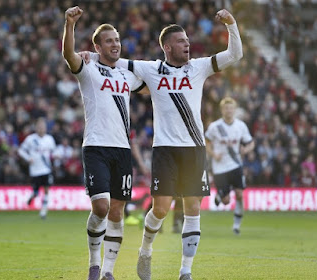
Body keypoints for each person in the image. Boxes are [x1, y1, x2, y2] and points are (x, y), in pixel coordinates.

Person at [85, 9, 242, 280]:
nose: (187, 44)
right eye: (181, 41)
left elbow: (234, 55)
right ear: (168, 47)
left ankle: (185, 271)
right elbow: (115, 61)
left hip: (194, 149)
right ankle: (145, 251)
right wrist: (89, 57)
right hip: (165, 149)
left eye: (187, 40)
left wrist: (232, 25)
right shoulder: (152, 69)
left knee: (193, 208)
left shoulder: (199, 67)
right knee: (160, 209)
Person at [62, 6, 146, 280]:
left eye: (117, 40)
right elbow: (68, 55)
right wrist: (70, 25)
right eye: (109, 40)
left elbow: (151, 83)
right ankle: (94, 264)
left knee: (118, 211)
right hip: (96, 146)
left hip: (122, 149)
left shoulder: (127, 75)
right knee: (101, 207)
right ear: (97, 46)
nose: (115, 44)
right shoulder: (88, 69)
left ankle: (109, 271)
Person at [205, 97, 255, 235]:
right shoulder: (215, 127)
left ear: (234, 110)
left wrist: (246, 149)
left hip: (235, 165)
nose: (229, 111)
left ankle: (236, 226)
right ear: (222, 110)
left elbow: (251, 143)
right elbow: (206, 142)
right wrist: (214, 154)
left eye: (231, 108)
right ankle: (221, 196)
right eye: (226, 108)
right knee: (226, 201)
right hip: (219, 167)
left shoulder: (240, 126)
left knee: (239, 194)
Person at [18, 117, 56, 219]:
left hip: (46, 169)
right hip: (35, 170)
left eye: (43, 127)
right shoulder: (30, 139)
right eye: (39, 127)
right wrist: (28, 158)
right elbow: (21, 150)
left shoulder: (49, 139)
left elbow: (53, 152)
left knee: (47, 189)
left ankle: (43, 210)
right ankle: (33, 196)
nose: (41, 129)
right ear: (36, 128)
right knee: (36, 192)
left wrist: (56, 156)